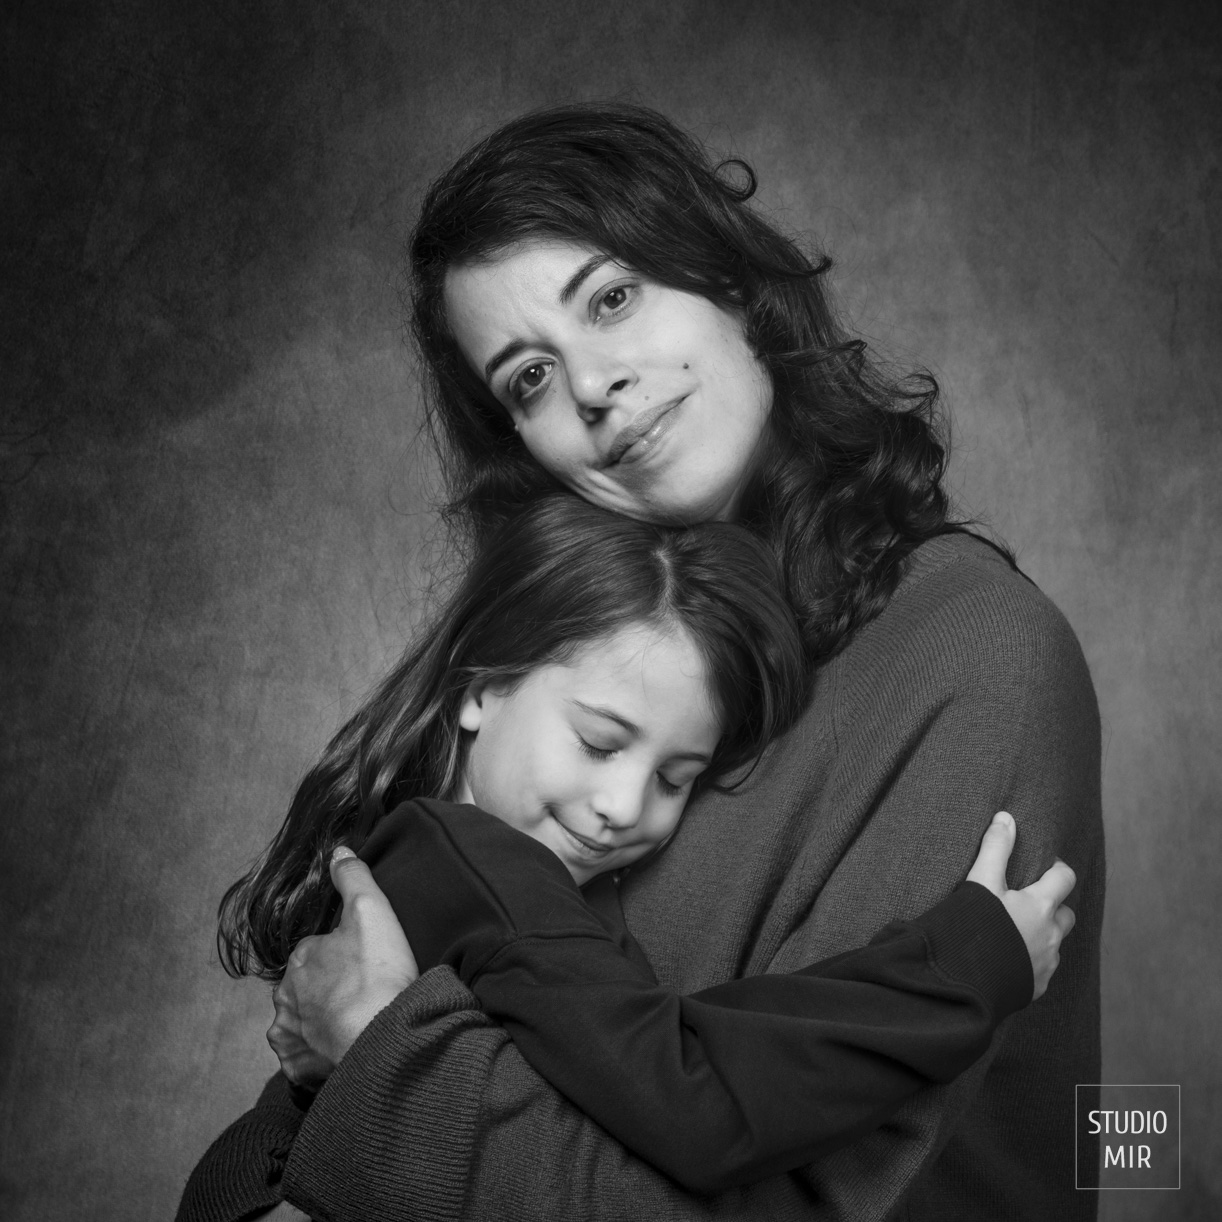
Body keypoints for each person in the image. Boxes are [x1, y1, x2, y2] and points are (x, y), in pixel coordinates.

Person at [192, 103, 1105, 1221]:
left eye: (614, 299)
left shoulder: (972, 654)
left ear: (728, 287)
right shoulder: (582, 675)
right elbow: (284, 1134)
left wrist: (381, 1064)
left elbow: (766, 1196)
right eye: (528, 377)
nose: (591, 387)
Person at [177, 498, 1075, 1220]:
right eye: (600, 743)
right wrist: (967, 967)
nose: (622, 810)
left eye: (675, 777)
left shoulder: (416, 849)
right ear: (484, 687)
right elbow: (696, 1099)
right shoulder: (497, 876)